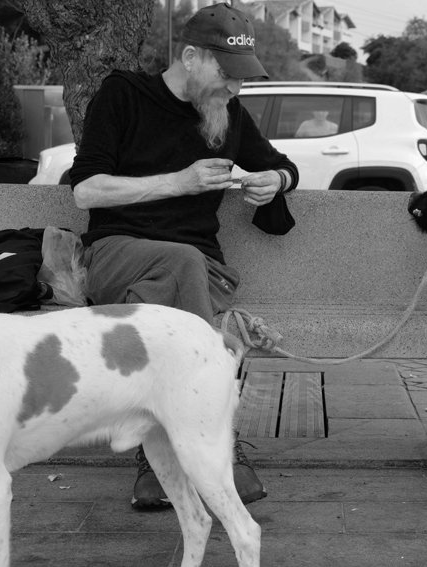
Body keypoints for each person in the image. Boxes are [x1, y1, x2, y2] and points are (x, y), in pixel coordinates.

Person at [69, 3, 298, 510]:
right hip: (115, 255)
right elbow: (86, 191)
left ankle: (159, 459)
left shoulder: (229, 114)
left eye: (242, 79)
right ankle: (214, 448)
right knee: (179, 265)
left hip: (197, 274)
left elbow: (284, 166)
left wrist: (272, 181)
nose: (235, 90)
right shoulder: (123, 94)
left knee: (174, 279)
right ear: (190, 57)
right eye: (227, 75)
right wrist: (179, 182)